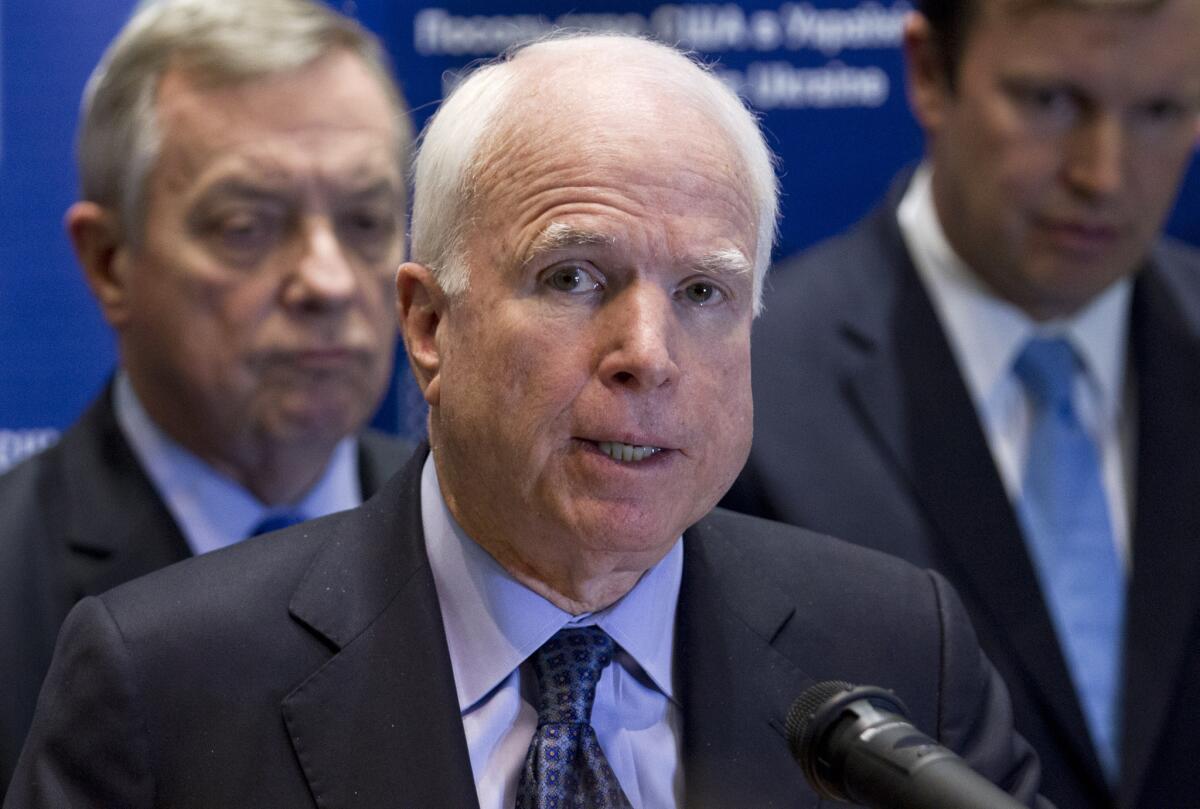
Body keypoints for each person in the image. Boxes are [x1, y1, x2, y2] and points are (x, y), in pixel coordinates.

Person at [5, 33, 1049, 809]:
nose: (648, 350)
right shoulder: (164, 681)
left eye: (703, 292)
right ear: (426, 322)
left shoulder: (906, 652)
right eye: (574, 275)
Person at [722, 0, 1200, 806]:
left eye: (1160, 111)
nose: (1103, 174)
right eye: (1051, 102)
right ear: (930, 73)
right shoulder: (746, 390)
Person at [0, 0, 415, 792]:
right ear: (111, 261)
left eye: (366, 221)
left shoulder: (487, 542)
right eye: (246, 227)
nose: (328, 281)